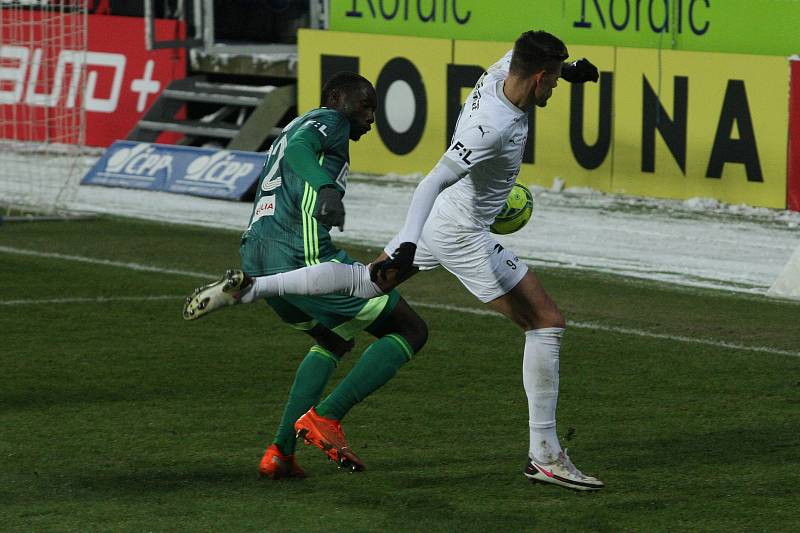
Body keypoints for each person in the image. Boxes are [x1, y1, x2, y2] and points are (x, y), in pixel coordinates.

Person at [185, 31, 604, 491]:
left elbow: (526, 60)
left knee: (367, 284)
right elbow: (430, 182)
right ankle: (545, 454)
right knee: (545, 321)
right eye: (555, 81)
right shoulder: (490, 127)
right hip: (461, 230)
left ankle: (254, 290)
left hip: (444, 220)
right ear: (540, 78)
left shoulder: (508, 68)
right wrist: (406, 240)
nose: (556, 88)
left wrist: (573, 71)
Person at [184, 72, 428, 479]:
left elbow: (291, 151)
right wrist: (326, 188)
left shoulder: (295, 124)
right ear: (336, 98)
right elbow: (301, 151)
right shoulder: (329, 120)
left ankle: (280, 453)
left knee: (333, 338)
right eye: (365, 105)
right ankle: (326, 417)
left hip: (256, 249)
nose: (371, 117)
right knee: (410, 329)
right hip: (300, 249)